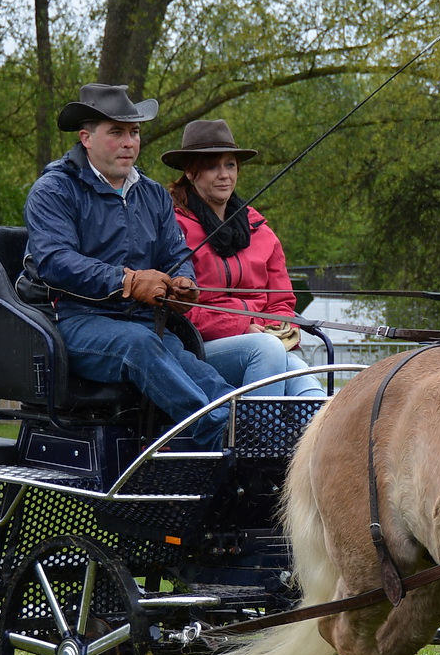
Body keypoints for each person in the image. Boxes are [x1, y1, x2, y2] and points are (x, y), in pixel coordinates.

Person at [25, 84, 235, 447]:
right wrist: (128, 281)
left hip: (145, 327)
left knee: (198, 372)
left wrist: (182, 284)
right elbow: (55, 261)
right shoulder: (54, 190)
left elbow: (176, 255)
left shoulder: (152, 194)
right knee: (140, 345)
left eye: (134, 132)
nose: (129, 142)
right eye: (117, 132)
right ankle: (216, 432)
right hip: (74, 323)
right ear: (86, 138)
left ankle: (243, 421)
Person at [163, 120, 322, 399]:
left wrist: (281, 327)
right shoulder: (173, 227)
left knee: (306, 384)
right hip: (196, 347)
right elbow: (176, 307)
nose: (224, 175)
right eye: (212, 166)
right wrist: (240, 326)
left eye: (230, 165)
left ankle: (309, 441)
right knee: (266, 350)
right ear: (190, 172)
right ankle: (258, 441)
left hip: (264, 343)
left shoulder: (261, 230)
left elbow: (282, 301)